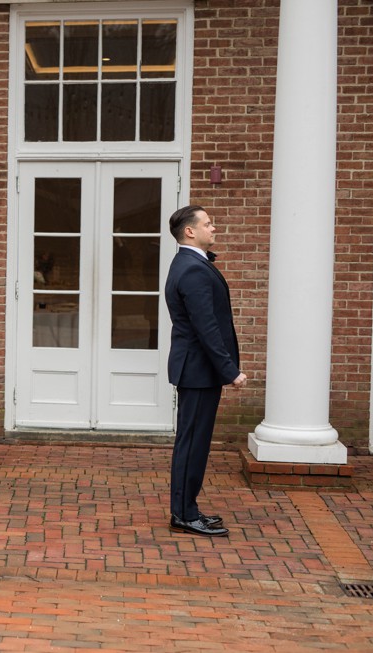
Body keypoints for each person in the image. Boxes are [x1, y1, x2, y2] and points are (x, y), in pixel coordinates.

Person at [164, 205, 246, 537]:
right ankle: (183, 514)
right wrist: (230, 370)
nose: (214, 229)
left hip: (198, 370)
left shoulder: (190, 263)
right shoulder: (192, 269)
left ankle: (188, 509)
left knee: (195, 442)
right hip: (199, 371)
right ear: (189, 231)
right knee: (192, 443)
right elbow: (206, 328)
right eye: (208, 224)